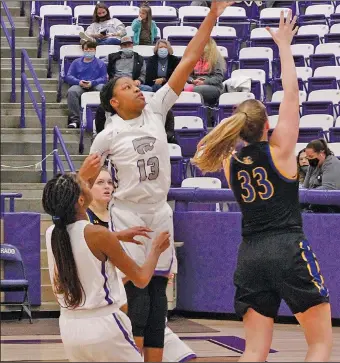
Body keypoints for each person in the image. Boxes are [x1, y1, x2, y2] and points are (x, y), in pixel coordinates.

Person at [89, 1, 235, 361]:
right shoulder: (108, 135)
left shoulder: (155, 109)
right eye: (127, 86)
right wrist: (94, 226)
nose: (137, 85)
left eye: (135, 82)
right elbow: (84, 181)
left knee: (157, 307)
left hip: (159, 213)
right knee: (136, 303)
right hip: (127, 216)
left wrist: (212, 16)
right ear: (113, 101)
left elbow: (186, 61)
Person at [192, 11, 332, 362]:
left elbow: (209, 147)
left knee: (254, 350)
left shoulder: (229, 161)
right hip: (287, 247)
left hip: (250, 254)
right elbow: (292, 93)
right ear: (267, 124)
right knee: (319, 344)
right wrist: (284, 45)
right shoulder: (282, 149)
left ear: (238, 129)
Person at [42, 154, 171, 362]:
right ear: (81, 200)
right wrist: (156, 249)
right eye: (85, 185)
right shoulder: (99, 235)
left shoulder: (53, 234)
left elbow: (82, 242)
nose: (88, 184)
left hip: (69, 328)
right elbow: (141, 278)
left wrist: (116, 236)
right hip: (104, 326)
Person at [86, 168, 197, 362]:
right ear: (87, 188)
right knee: (137, 305)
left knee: (187, 358)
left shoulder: (132, 214)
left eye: (110, 183)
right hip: (109, 304)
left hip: (146, 302)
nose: (107, 187)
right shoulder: (86, 222)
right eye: (100, 182)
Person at [303, 138, 340, 213]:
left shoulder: (333, 164)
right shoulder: (312, 166)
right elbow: (305, 187)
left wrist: (308, 194)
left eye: (311, 156)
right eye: (308, 157)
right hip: (321, 202)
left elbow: (329, 189)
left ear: (321, 153)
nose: (309, 160)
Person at [66, 41, 107, 129]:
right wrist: (79, 82)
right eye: (86, 49)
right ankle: (75, 120)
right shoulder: (76, 62)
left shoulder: (101, 63)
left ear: (95, 50)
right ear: (83, 50)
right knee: (72, 91)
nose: (88, 51)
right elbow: (69, 76)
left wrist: (93, 82)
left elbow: (103, 78)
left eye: (91, 49)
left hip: (95, 85)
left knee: (103, 89)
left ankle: (103, 117)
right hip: (80, 85)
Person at [185, 38, 226, 108]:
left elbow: (219, 78)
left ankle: (200, 110)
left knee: (196, 90)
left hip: (214, 87)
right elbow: (187, 75)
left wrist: (204, 82)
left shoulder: (216, 58)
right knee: (182, 89)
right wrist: (192, 81)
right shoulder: (195, 57)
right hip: (196, 84)